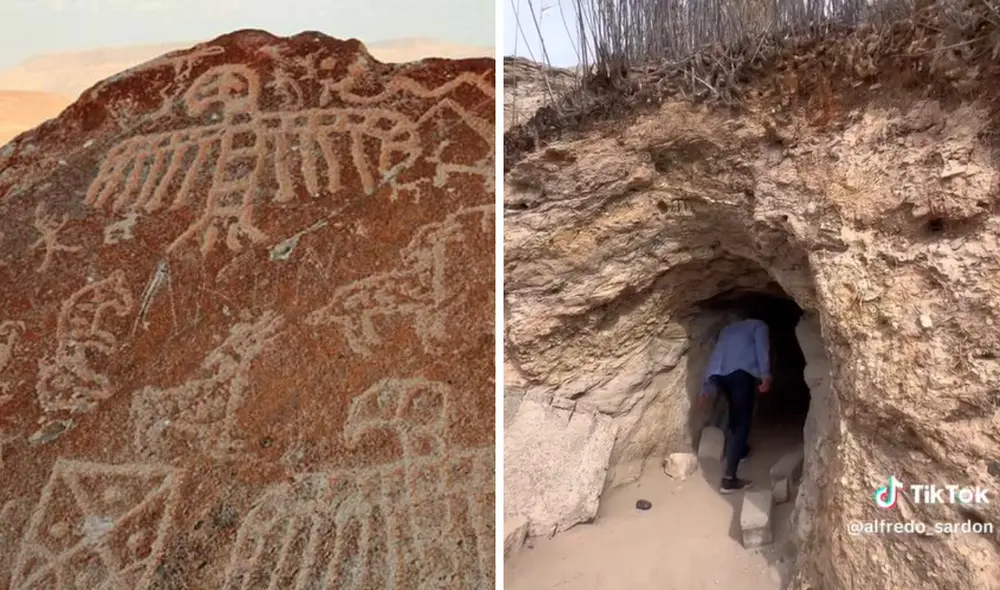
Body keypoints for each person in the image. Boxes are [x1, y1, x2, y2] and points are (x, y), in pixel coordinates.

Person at [700, 314, 772, 494]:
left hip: (722, 377)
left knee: (735, 412)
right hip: (741, 375)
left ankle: (742, 450)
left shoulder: (727, 330)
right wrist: (765, 374)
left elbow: (717, 355)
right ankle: (729, 479)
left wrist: (707, 385)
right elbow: (761, 348)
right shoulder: (759, 325)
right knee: (742, 423)